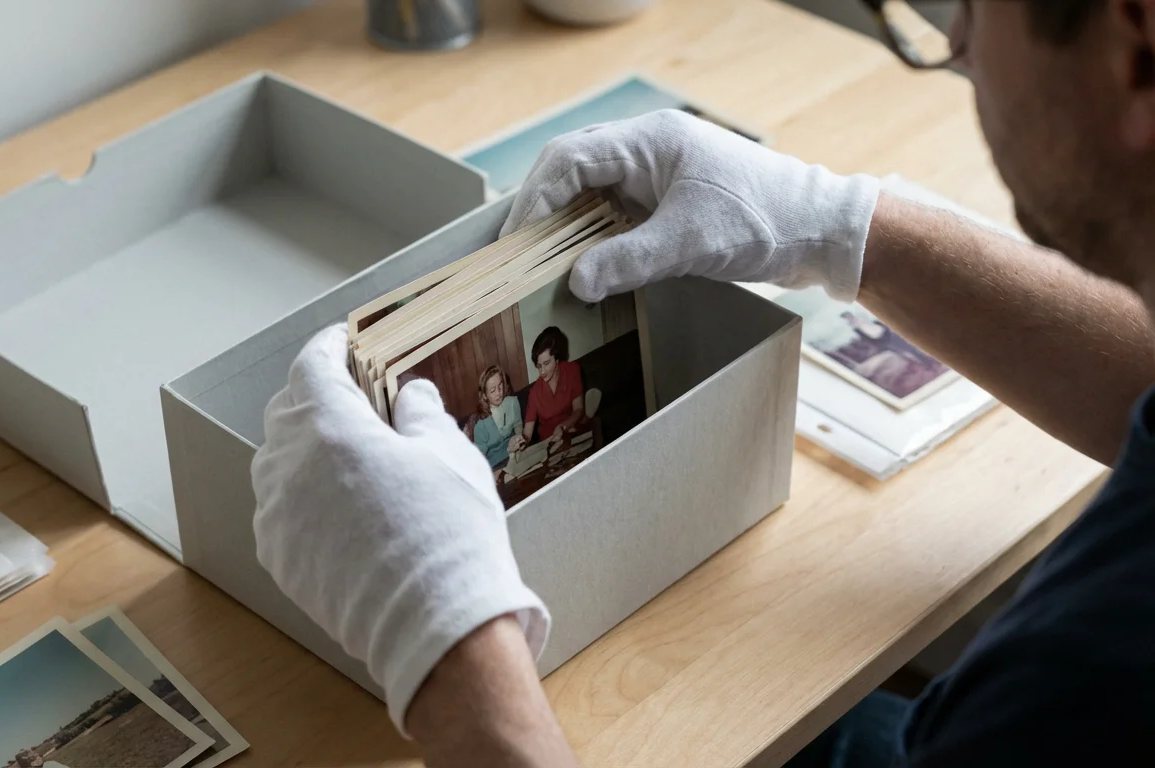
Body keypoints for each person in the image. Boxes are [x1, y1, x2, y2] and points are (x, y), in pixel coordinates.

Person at [249, 1, 1155, 765]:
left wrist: (451, 658)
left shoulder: (1094, 669)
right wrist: (844, 228)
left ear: (1135, 41)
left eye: (976, 9)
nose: (955, 43)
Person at [521, 327, 585, 449]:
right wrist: (519, 442)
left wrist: (563, 426)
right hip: (549, 445)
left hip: (572, 433)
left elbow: (578, 409)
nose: (542, 371)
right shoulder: (535, 392)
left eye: (546, 363)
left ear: (556, 359)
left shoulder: (572, 370)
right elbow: (527, 435)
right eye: (539, 366)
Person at [471, 364, 526, 470]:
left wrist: (520, 440)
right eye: (493, 390)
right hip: (495, 467)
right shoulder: (481, 425)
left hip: (516, 457)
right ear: (484, 395)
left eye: (500, 386)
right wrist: (507, 450)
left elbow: (518, 425)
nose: (499, 393)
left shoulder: (512, 403)